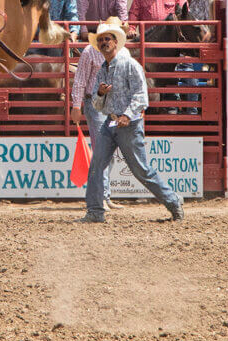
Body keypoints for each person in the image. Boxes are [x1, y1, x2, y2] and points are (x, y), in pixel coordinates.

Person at [77, 19, 184, 223]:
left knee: (141, 170)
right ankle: (94, 211)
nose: (103, 43)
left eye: (107, 39)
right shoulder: (102, 70)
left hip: (129, 124)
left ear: (115, 42)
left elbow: (141, 96)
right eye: (100, 40)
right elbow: (98, 105)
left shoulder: (130, 65)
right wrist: (99, 94)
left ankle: (173, 200)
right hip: (110, 123)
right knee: (97, 164)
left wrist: (127, 115)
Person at [69, 17, 125, 213]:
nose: (106, 41)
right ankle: (101, 196)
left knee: (107, 150)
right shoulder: (89, 52)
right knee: (102, 149)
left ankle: (104, 195)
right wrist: (76, 105)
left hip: (111, 106)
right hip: (94, 103)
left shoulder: (121, 55)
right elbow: (80, 80)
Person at [175, 0, 210, 115]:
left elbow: (208, 23)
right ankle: (176, 109)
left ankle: (192, 111)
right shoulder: (176, 0)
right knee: (174, 77)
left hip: (197, 44)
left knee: (193, 77)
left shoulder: (202, 0)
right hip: (179, 45)